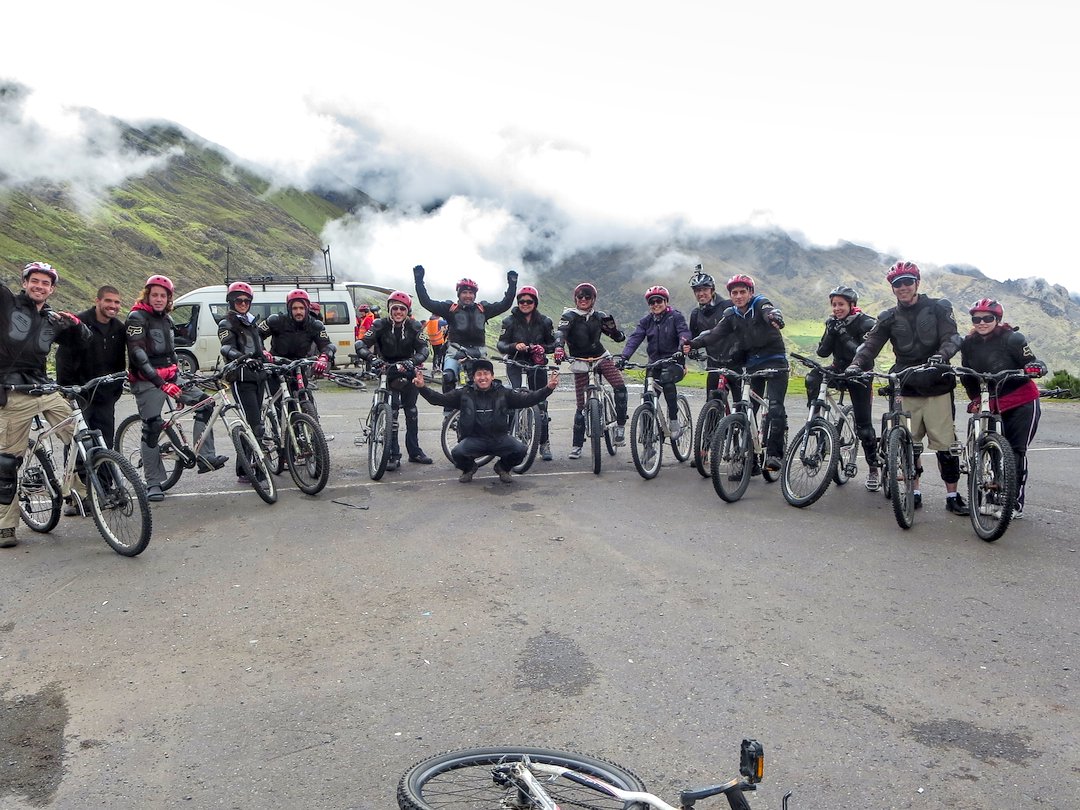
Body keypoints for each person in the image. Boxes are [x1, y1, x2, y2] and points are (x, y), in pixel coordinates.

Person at [845, 261, 969, 515]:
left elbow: (952, 336)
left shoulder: (938, 307)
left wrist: (943, 355)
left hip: (937, 384)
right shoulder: (888, 316)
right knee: (908, 445)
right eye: (897, 284)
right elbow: (871, 345)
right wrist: (857, 364)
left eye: (907, 282)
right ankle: (914, 491)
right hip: (905, 384)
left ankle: (953, 495)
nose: (902, 287)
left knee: (945, 445)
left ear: (917, 283)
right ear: (892, 288)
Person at [1, 262, 90, 548]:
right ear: (25, 282)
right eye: (35, 281)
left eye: (45, 283)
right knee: (6, 463)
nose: (40, 286)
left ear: (52, 289)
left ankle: (82, 494)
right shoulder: (7, 304)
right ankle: (5, 526)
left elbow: (82, 341)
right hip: (12, 391)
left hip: (43, 388)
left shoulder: (52, 319)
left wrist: (76, 325)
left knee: (79, 437)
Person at [127, 275, 226, 502]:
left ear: (169, 298)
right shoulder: (136, 317)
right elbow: (137, 354)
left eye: (163, 296)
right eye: (155, 295)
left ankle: (204, 456)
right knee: (151, 427)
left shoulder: (166, 320)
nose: (159, 299)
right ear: (148, 295)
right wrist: (162, 384)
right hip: (146, 379)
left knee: (206, 404)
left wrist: (180, 377)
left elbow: (172, 352)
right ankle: (153, 482)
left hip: (171, 376)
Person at [685, 274, 788, 471]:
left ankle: (775, 455)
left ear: (751, 293)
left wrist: (774, 316)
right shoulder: (732, 314)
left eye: (743, 292)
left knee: (775, 407)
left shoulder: (759, 304)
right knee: (746, 412)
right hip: (752, 365)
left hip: (775, 361)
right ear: (730, 295)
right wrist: (692, 343)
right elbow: (715, 334)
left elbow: (768, 310)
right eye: (734, 293)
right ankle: (751, 461)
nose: (738, 296)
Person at [959, 298, 1046, 519]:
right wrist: (975, 398)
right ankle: (994, 497)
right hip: (993, 402)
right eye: (976, 319)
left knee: (1015, 452)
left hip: (1021, 400)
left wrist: (1036, 368)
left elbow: (1031, 362)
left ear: (997, 319)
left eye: (988, 318)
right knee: (993, 450)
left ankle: (1013, 503)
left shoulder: (1013, 338)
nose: (982, 322)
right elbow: (968, 373)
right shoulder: (968, 343)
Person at [413, 358, 558, 483]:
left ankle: (503, 468)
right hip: (474, 440)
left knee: (521, 450)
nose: (483, 378)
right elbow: (439, 399)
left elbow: (528, 399)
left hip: (499, 439)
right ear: (474, 377)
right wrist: (422, 388)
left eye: (486, 374)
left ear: (492, 376)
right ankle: (469, 468)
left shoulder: (504, 392)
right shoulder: (464, 393)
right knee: (457, 453)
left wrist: (548, 388)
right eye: (479, 374)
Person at [808, 285, 880, 490]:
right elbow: (822, 353)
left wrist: (843, 334)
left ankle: (873, 468)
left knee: (864, 428)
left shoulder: (866, 323)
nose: (837, 308)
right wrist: (831, 332)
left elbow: (863, 352)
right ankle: (817, 420)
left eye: (841, 304)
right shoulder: (833, 322)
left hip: (860, 373)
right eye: (834, 305)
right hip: (838, 368)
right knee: (813, 377)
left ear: (852, 305)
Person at [412, 264, 517, 401]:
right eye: (464, 293)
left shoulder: (483, 309)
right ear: (459, 294)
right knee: (448, 376)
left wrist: (512, 284)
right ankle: (448, 413)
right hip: (455, 351)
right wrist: (419, 281)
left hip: (479, 353)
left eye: (471, 293)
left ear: (475, 295)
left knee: (483, 382)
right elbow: (427, 302)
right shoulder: (450, 308)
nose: (468, 296)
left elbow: (505, 304)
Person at [355, 291, 432, 469]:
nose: (398, 312)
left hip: (408, 369)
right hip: (386, 371)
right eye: (395, 308)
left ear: (407, 310)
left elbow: (424, 350)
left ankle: (415, 452)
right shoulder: (379, 324)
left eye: (402, 309)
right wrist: (372, 359)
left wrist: (411, 362)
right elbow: (360, 344)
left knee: (412, 412)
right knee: (393, 413)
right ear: (389, 309)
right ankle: (392, 454)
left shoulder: (415, 327)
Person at [553, 282, 628, 457]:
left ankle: (620, 427)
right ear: (575, 299)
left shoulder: (599, 316)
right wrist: (558, 348)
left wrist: (616, 332)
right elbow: (560, 333)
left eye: (588, 297)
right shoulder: (569, 316)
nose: (584, 300)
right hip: (579, 360)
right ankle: (577, 445)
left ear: (593, 299)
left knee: (620, 387)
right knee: (580, 405)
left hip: (601, 357)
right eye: (580, 297)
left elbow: (616, 337)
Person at [55, 285, 127, 450]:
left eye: (117, 302)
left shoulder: (119, 328)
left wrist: (116, 390)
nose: (113, 305)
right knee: (79, 445)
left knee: (106, 445)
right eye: (108, 300)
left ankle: (106, 477)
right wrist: (67, 389)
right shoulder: (79, 323)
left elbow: (120, 361)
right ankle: (77, 477)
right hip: (80, 395)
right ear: (97, 301)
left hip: (105, 398)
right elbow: (62, 358)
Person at [617, 285, 691, 440]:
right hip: (654, 363)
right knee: (647, 398)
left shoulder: (675, 317)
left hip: (674, 361)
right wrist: (624, 357)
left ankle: (674, 420)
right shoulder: (646, 321)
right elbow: (635, 338)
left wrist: (680, 349)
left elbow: (684, 333)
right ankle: (648, 441)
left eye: (659, 301)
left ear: (666, 301)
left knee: (667, 380)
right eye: (652, 302)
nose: (655, 304)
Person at [218, 281, 272, 484]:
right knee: (253, 425)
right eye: (238, 300)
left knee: (255, 423)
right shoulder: (227, 323)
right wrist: (242, 358)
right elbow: (226, 348)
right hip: (241, 378)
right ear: (231, 301)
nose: (243, 303)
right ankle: (248, 469)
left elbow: (258, 348)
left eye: (246, 300)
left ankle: (251, 466)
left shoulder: (252, 323)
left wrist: (266, 356)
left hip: (258, 377)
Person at [496, 285, 556, 461]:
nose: (525, 304)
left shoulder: (545, 321)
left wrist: (542, 348)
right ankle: (507, 442)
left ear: (535, 303)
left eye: (529, 301)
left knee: (541, 404)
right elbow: (501, 346)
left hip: (537, 365)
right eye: (522, 301)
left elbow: (553, 345)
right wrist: (514, 346)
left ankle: (544, 444)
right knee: (512, 401)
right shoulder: (509, 321)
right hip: (515, 362)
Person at [259, 288, 334, 418]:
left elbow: (327, 345)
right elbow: (257, 335)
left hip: (298, 366)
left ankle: (312, 430)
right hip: (277, 367)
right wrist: (262, 351)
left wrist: (324, 357)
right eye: (294, 308)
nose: (298, 311)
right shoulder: (276, 320)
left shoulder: (315, 325)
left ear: (307, 308)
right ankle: (279, 433)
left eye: (301, 308)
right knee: (280, 406)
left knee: (305, 398)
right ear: (289, 308)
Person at [687, 266, 739, 402]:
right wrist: (692, 350)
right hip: (714, 364)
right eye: (697, 290)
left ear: (712, 290)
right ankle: (713, 423)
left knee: (740, 404)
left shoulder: (728, 306)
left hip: (736, 362)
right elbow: (694, 338)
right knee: (711, 404)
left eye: (704, 289)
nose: (701, 293)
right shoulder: (696, 314)